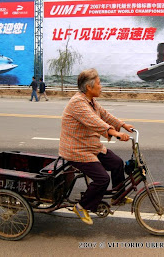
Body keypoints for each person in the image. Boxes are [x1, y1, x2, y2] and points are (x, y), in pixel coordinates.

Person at [59, 68, 134, 225]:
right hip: (76, 150)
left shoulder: (90, 101)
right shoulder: (78, 103)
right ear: (89, 87)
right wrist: (115, 133)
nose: (101, 86)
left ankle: (117, 197)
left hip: (90, 146)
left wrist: (122, 125)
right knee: (102, 179)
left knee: (117, 163)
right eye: (99, 83)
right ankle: (81, 206)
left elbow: (105, 115)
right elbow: (96, 122)